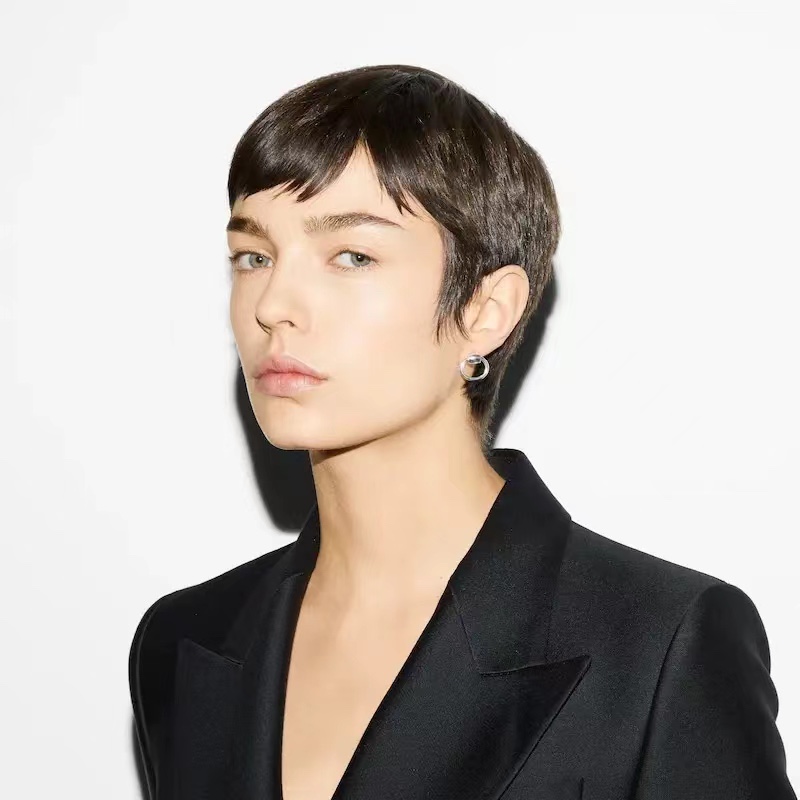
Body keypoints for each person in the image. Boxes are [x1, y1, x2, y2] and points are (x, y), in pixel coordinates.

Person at [129, 65, 797, 800]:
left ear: (486, 311)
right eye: (253, 256)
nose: (272, 304)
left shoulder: (659, 646)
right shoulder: (184, 640)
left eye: (352, 255)